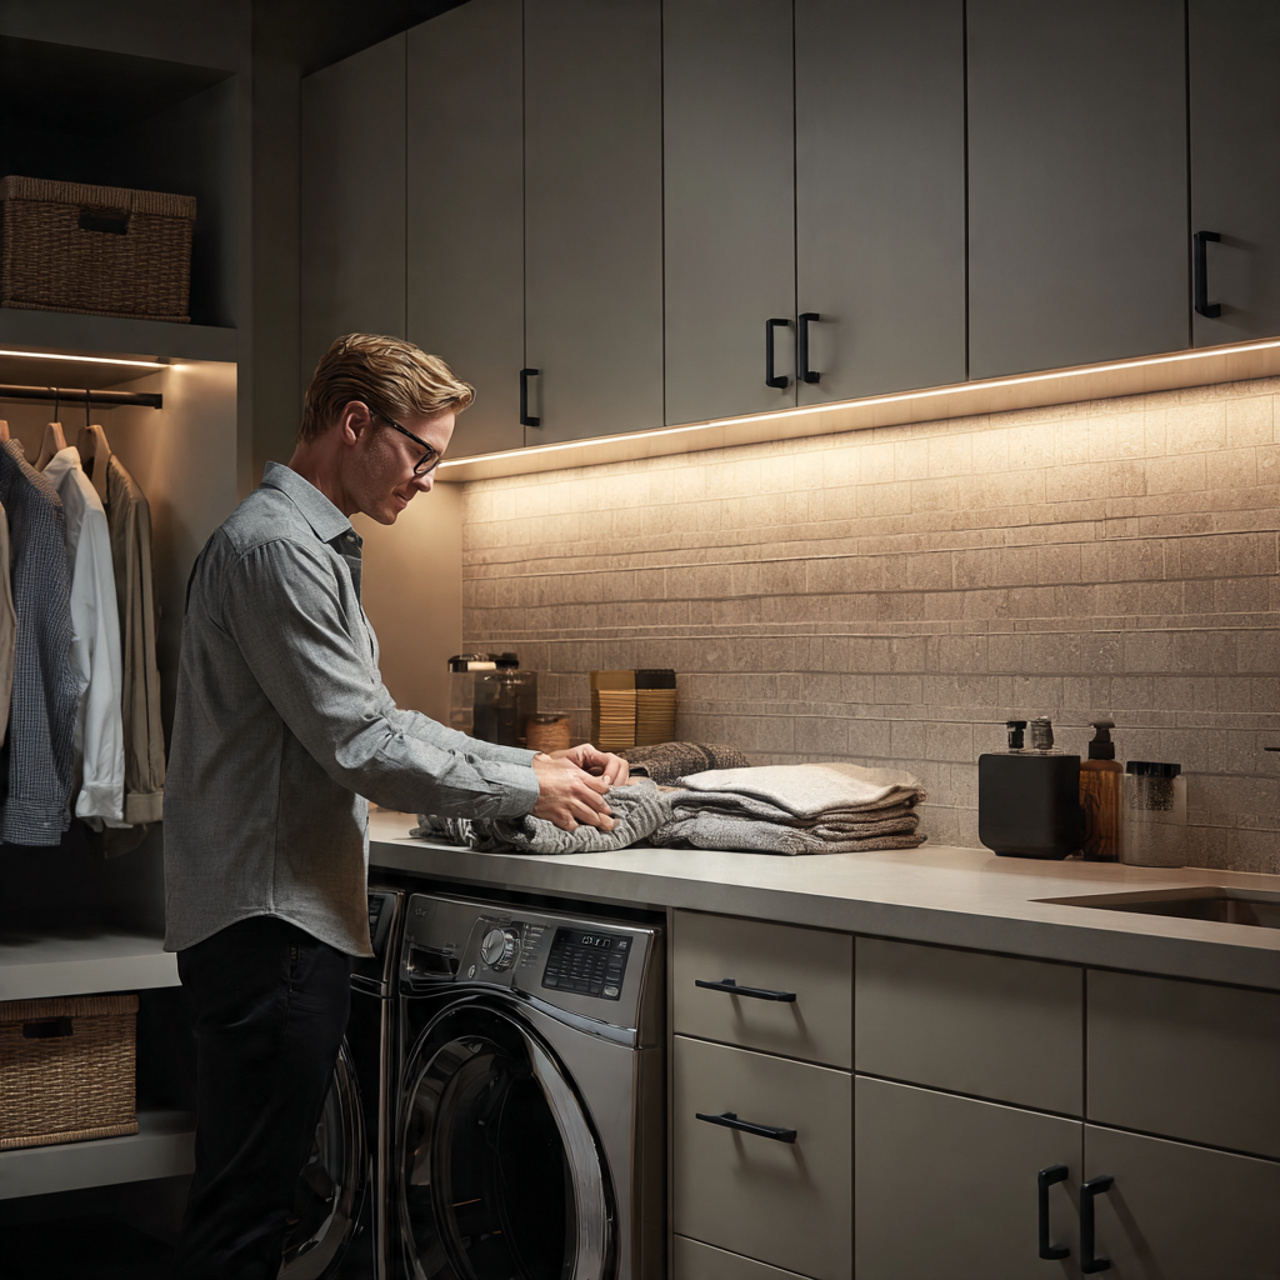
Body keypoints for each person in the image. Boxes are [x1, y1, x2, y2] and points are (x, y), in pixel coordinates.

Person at [163, 333, 628, 1279]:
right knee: (246, 1222)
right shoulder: (277, 552)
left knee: (254, 1203)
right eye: (423, 453)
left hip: (269, 923)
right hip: (273, 930)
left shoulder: (299, 545)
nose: (426, 478)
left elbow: (379, 719)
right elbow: (366, 748)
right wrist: (528, 787)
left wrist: (531, 763)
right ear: (355, 423)